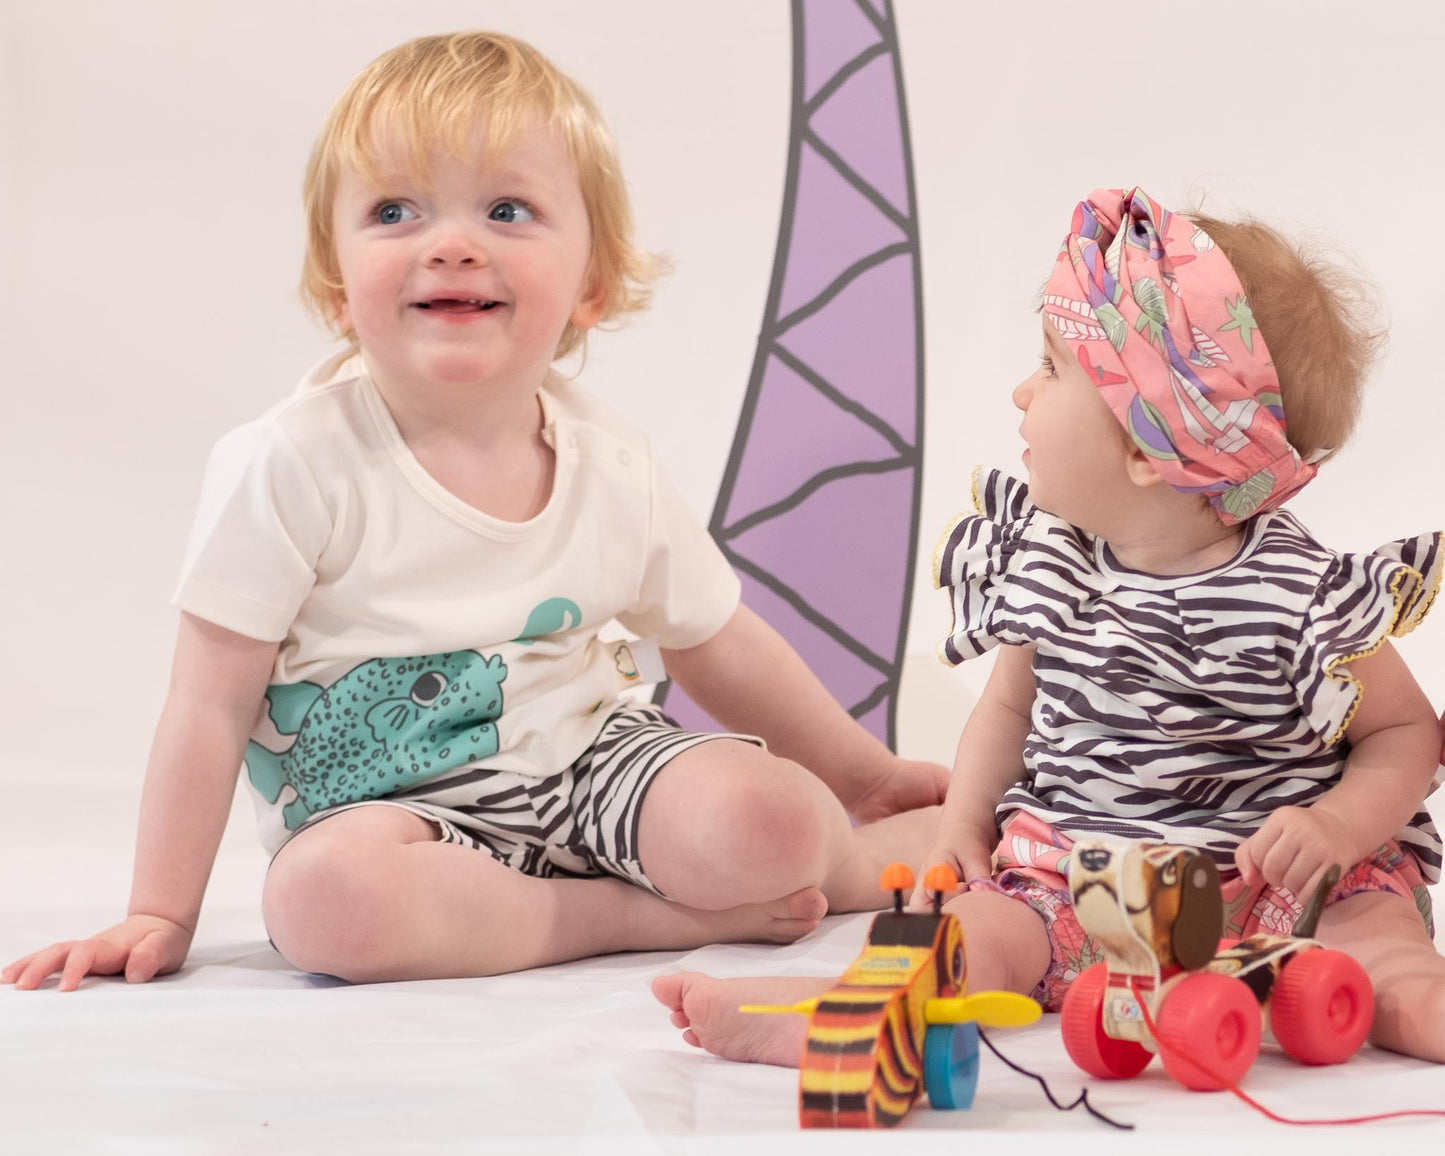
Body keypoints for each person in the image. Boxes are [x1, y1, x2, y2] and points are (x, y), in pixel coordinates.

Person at [2, 31, 947, 992]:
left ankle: (863, 859)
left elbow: (719, 641)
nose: (450, 243)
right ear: (337, 284)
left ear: (592, 284)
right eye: (394, 211)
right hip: (387, 817)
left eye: (506, 209)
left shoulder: (613, 463)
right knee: (323, 906)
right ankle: (620, 918)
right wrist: (160, 908)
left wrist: (862, 775)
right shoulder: (290, 463)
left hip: (588, 765)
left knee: (764, 818)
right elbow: (208, 702)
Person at [653, 188, 1445, 1065]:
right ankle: (845, 1014)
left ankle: (1421, 1006)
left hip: (1273, 891)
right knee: (978, 931)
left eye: (1053, 369)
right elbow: (1005, 711)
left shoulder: (1299, 593)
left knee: (1375, 935)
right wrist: (962, 828)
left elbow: (1406, 733)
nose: (1021, 391)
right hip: (1079, 882)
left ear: (1153, 448)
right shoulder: (1049, 559)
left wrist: (1335, 827)